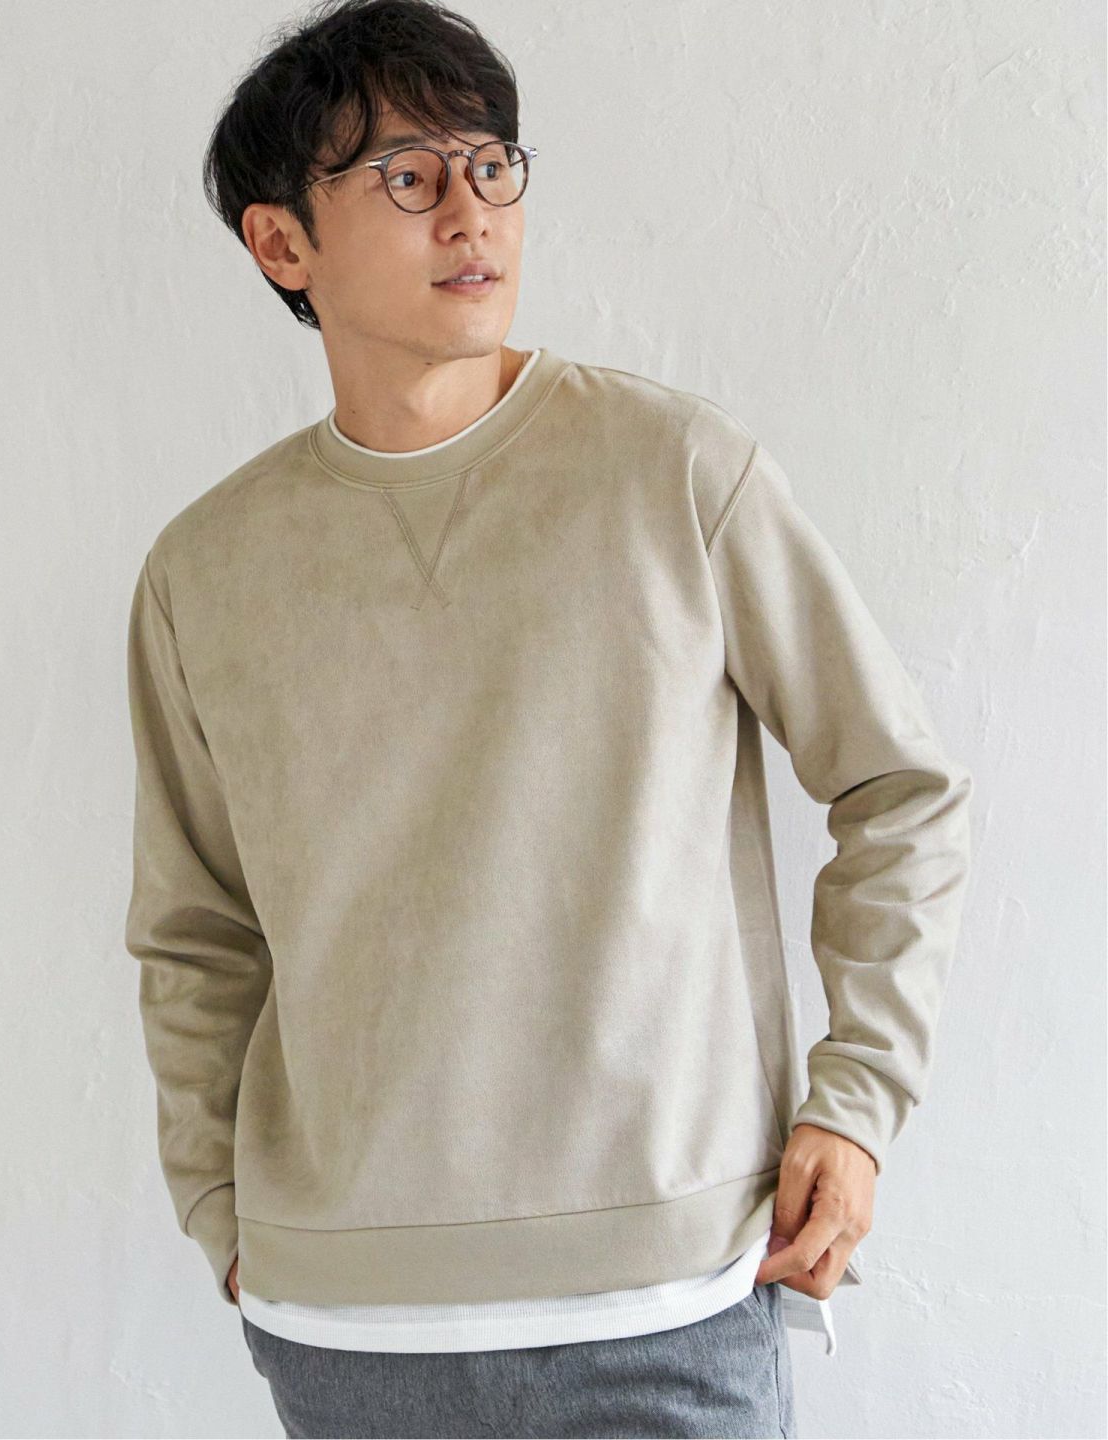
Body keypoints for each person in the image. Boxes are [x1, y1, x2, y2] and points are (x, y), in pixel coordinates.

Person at [123, 1, 975, 1436]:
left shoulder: (675, 473)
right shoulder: (204, 570)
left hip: (667, 1300)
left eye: (493, 164)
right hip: (343, 1330)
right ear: (281, 244)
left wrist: (857, 1098)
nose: (472, 211)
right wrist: (223, 1209)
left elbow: (900, 789)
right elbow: (196, 929)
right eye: (407, 175)